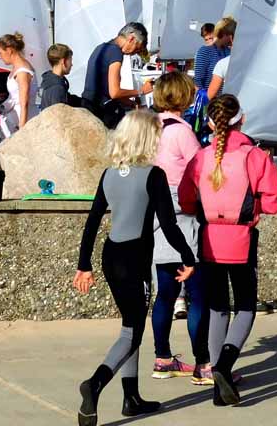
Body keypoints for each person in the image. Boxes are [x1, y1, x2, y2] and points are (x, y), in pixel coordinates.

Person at [74, 110, 196, 426]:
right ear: (146, 138)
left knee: (131, 326)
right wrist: (188, 257)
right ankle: (95, 384)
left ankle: (132, 398)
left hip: (110, 257)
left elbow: (92, 221)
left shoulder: (109, 173)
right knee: (132, 331)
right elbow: (169, 226)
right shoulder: (153, 175)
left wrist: (84, 264)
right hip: (134, 261)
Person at [179, 95, 277, 406]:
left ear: (210, 123)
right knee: (246, 306)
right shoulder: (255, 156)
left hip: (208, 239)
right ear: (243, 119)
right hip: (241, 239)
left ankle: (214, 377)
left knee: (217, 308)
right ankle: (224, 364)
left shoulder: (201, 157)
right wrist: (257, 208)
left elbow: (186, 199)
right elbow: (273, 201)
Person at [147, 72, 209, 385]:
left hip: (155, 212)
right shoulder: (182, 131)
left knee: (165, 293)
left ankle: (162, 357)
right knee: (196, 293)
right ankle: (203, 364)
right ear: (182, 97)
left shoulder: (149, 127)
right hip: (181, 211)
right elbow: (200, 170)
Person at [81, 22, 153, 129]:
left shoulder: (100, 48)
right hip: (102, 113)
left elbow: (105, 89)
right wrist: (141, 91)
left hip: (88, 107)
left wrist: (131, 104)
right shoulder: (116, 52)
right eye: (137, 48)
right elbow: (114, 92)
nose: (134, 53)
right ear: (131, 39)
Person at [0, 32, 38, 133]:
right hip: (14, 118)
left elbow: (24, 103)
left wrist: (22, 128)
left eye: (0, 53)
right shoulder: (17, 68)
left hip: (22, 120)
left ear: (9, 50)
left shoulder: (22, 71)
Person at [193, 17, 235, 91]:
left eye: (211, 38)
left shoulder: (229, 51)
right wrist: (203, 100)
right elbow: (198, 81)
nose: (209, 41)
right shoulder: (204, 51)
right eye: (206, 39)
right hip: (210, 99)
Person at [40, 43, 78, 109]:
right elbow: (59, 116)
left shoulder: (49, 82)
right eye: (70, 60)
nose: (71, 64)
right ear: (63, 62)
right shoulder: (58, 88)